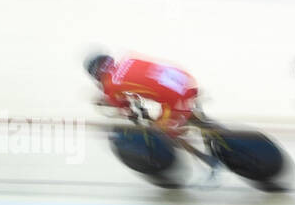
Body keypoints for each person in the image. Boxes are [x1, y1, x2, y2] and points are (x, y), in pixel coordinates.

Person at [84, 52, 220, 180]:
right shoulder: (129, 59)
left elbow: (125, 109)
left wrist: (113, 104)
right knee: (188, 115)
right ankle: (217, 131)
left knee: (162, 133)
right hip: (186, 81)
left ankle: (208, 160)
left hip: (174, 100)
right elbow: (141, 81)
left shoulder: (110, 86)